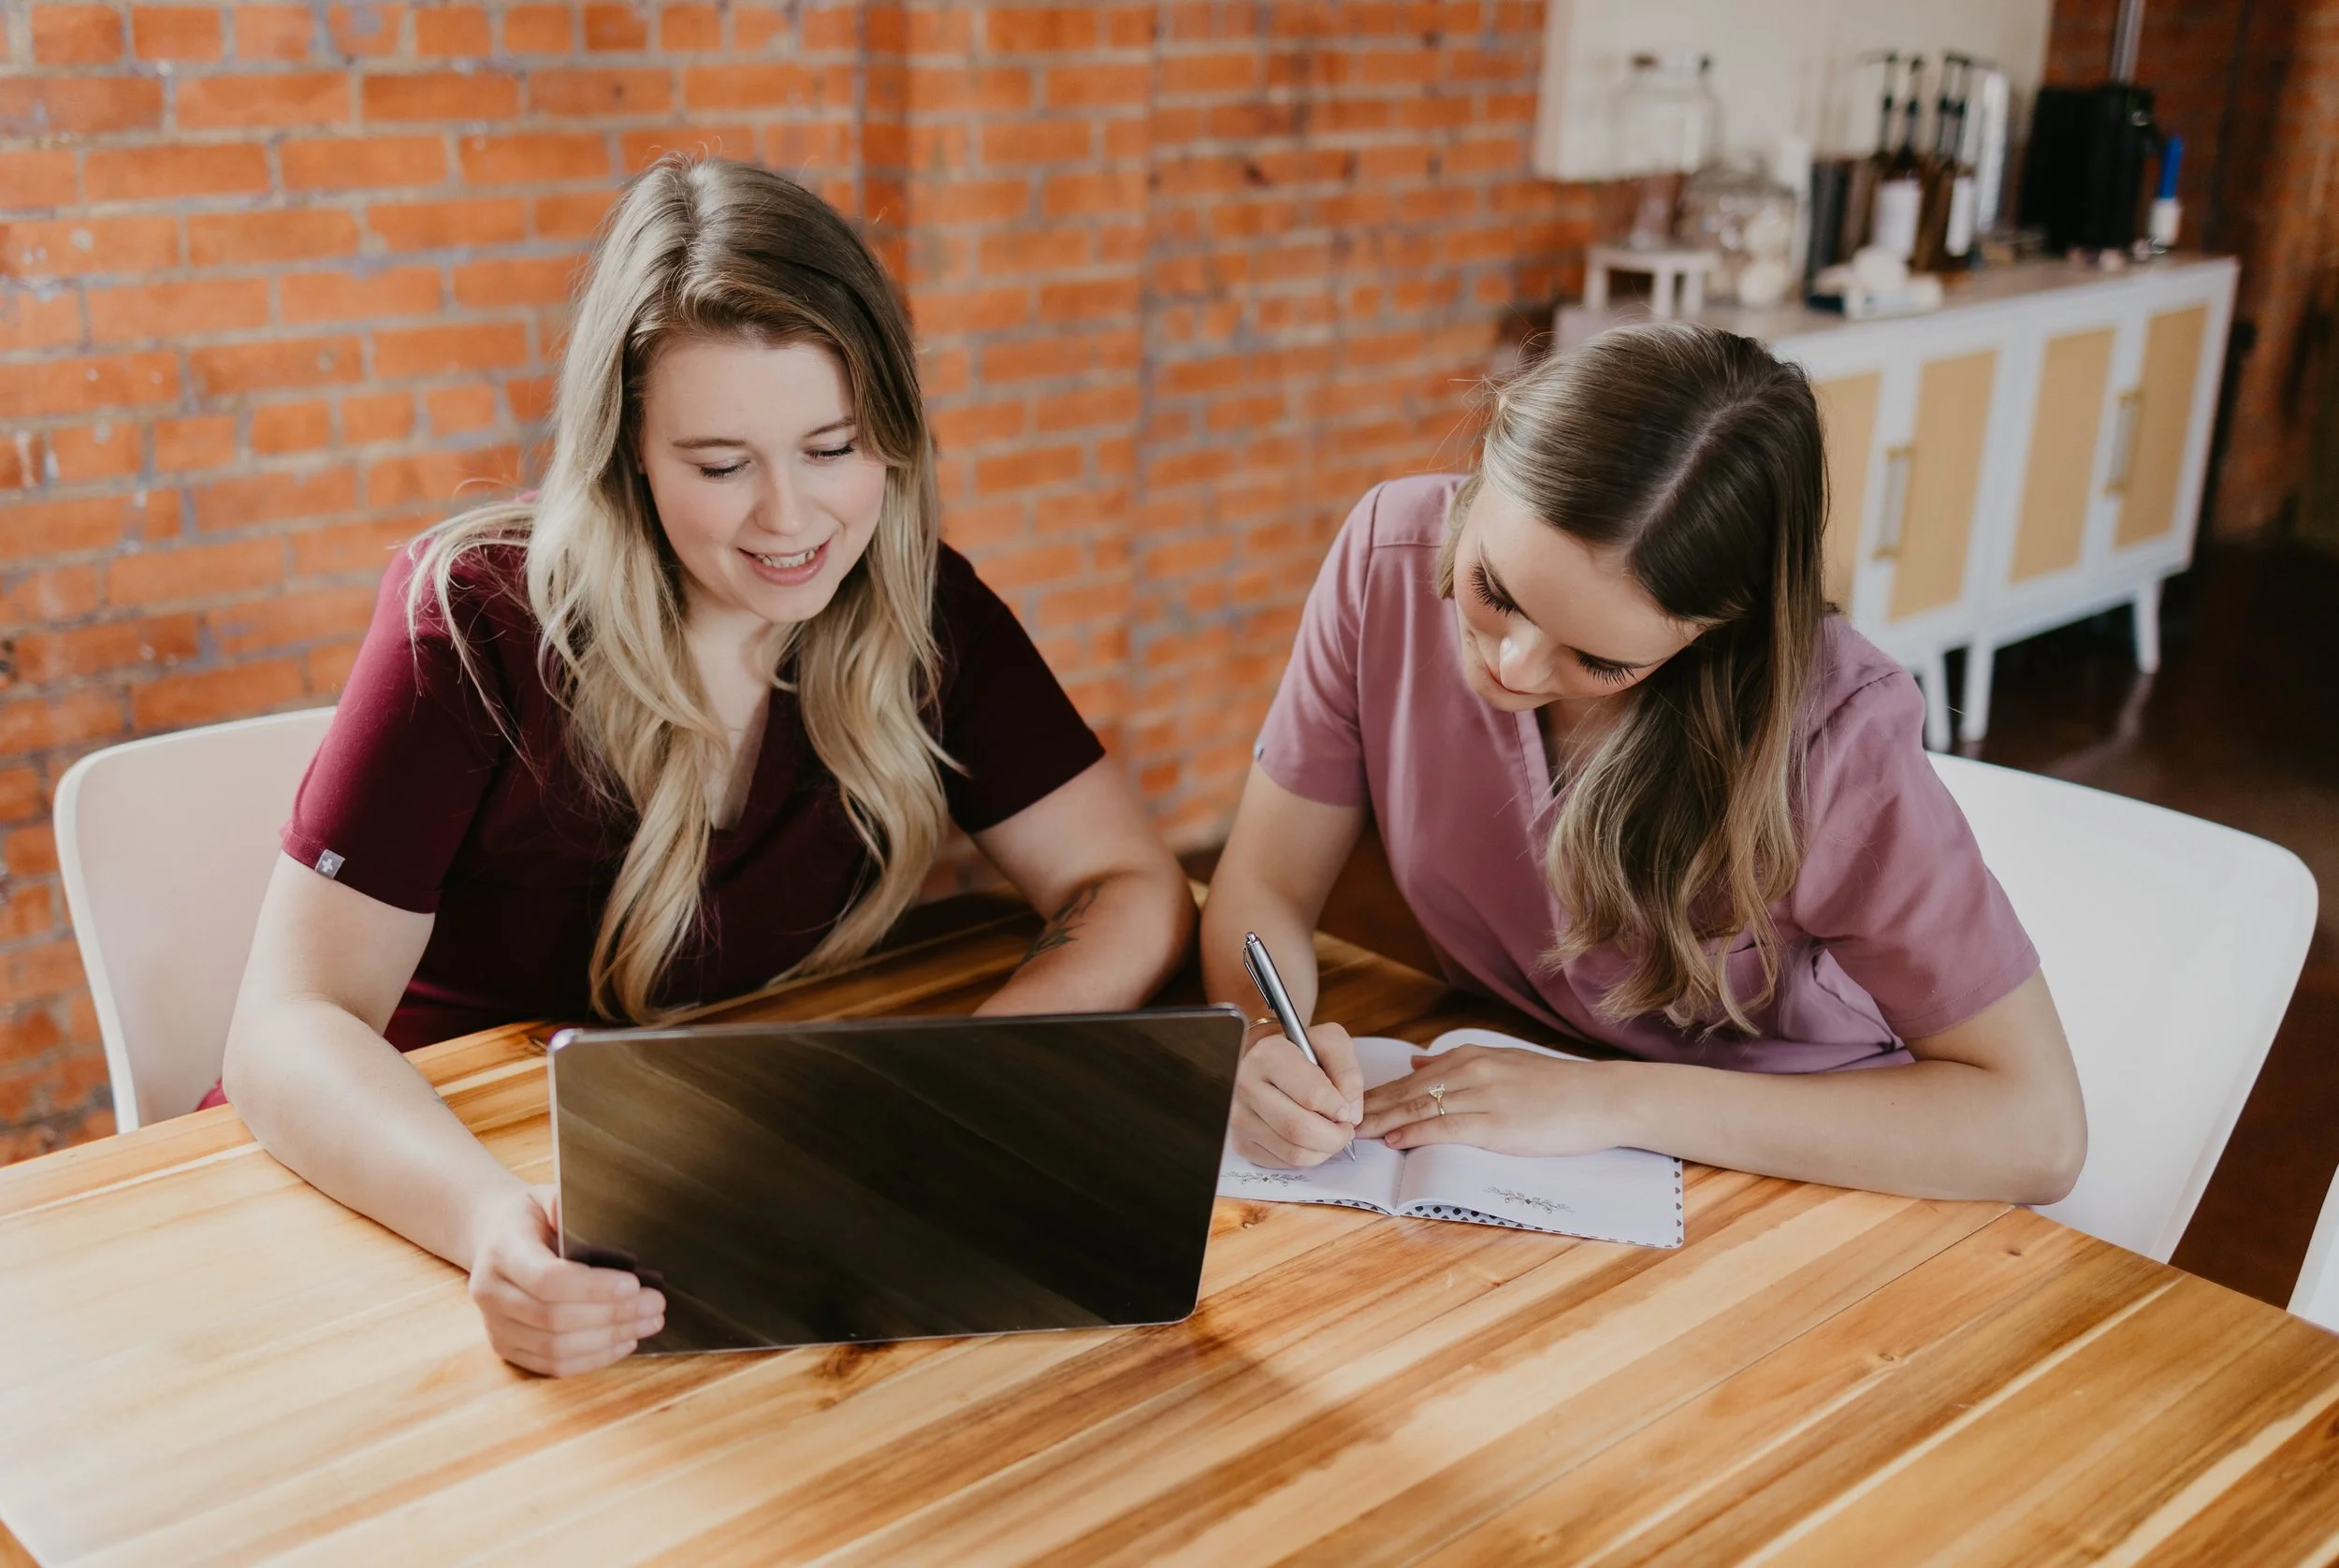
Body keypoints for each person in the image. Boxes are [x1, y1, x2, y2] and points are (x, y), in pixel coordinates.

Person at [222, 158, 1194, 1377]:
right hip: (419, 1193)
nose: (791, 521)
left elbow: (1127, 881)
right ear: (626, 451)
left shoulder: (920, 605)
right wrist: (485, 1222)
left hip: (706, 1192)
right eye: (722, 465)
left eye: (833, 447)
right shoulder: (472, 622)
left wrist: (961, 1086)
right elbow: (286, 1026)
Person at [1202, 322, 2085, 1205]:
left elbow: (2038, 1133)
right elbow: (1268, 887)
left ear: (1713, 638)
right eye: (1494, 592)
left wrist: (1612, 1100)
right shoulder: (1382, 558)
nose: (1510, 669)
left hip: (1803, 1163)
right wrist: (1259, 1042)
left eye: (1600, 662)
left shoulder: (1834, 741)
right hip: (1517, 1118)